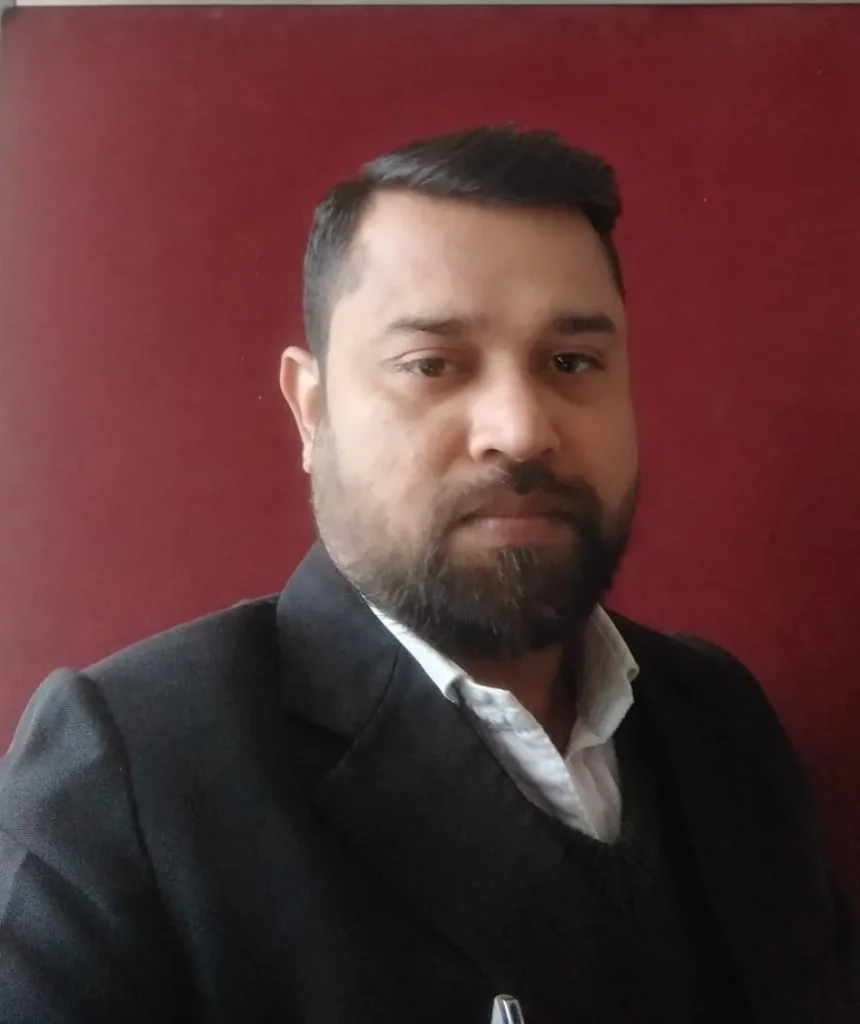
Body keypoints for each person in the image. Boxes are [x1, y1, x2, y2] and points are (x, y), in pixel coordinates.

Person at [0, 126, 855, 1024]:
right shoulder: (127, 779)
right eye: (432, 365)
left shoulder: (722, 721)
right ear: (312, 411)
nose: (520, 431)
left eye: (571, 362)